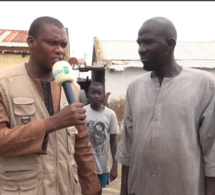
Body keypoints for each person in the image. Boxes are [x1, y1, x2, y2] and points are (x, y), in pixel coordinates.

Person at [0, 16, 100, 195]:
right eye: (52, 43)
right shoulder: (4, 83)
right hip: (23, 189)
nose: (59, 51)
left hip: (67, 188)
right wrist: (51, 123)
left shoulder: (73, 88)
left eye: (63, 45)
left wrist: (92, 186)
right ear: (31, 42)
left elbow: (82, 143)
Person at [115, 16, 215, 195]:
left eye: (148, 43)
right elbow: (127, 149)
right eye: (139, 43)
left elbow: (212, 153)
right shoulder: (135, 88)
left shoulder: (204, 85)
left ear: (170, 44)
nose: (141, 50)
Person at [84, 82, 119, 194]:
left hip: (101, 165)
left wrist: (114, 166)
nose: (96, 96)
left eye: (99, 93)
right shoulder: (82, 112)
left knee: (98, 191)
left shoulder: (110, 114)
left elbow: (113, 141)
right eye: (93, 92)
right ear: (88, 94)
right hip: (84, 164)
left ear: (103, 95)